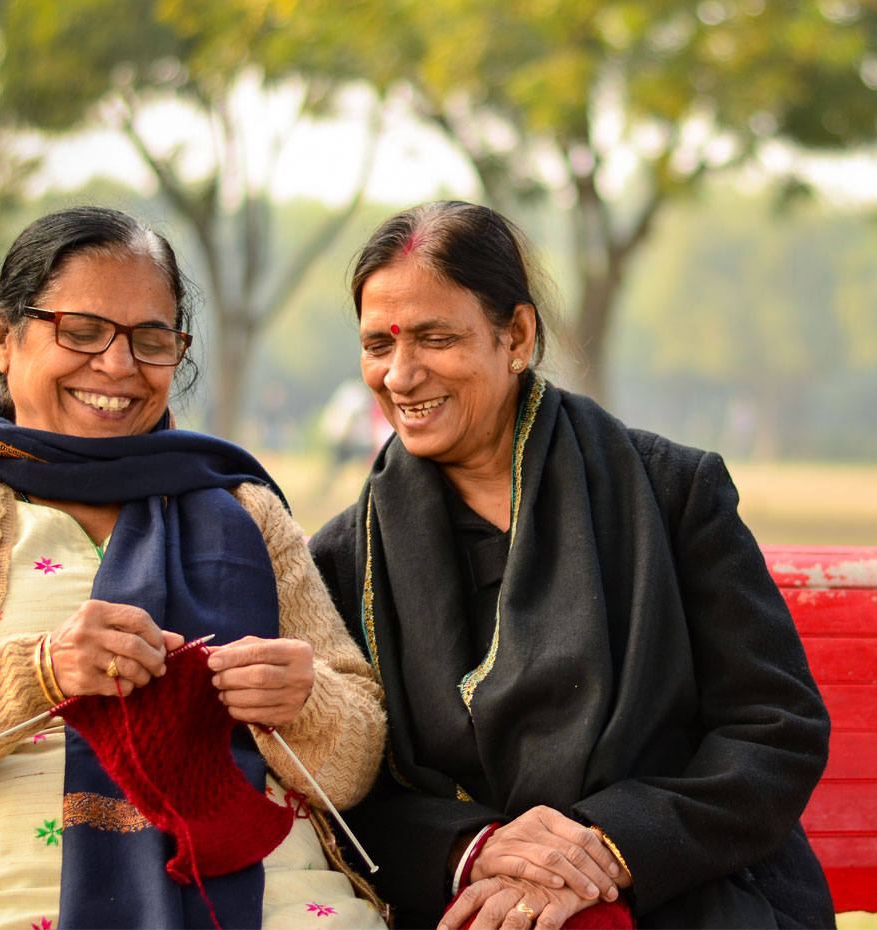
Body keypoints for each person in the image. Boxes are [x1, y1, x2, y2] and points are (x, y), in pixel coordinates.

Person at [0, 206, 388, 930]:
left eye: (150, 340)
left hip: (262, 896)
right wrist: (41, 671)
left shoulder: (245, 511)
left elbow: (355, 755)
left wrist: (303, 700)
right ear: (3, 338)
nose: (117, 365)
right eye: (80, 332)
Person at [309, 202, 834, 930]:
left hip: (687, 891)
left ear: (516, 335)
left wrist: (605, 851)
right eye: (378, 346)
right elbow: (344, 788)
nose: (400, 374)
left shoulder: (669, 493)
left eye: (436, 338)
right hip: (472, 905)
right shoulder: (346, 561)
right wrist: (480, 851)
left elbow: (775, 727)